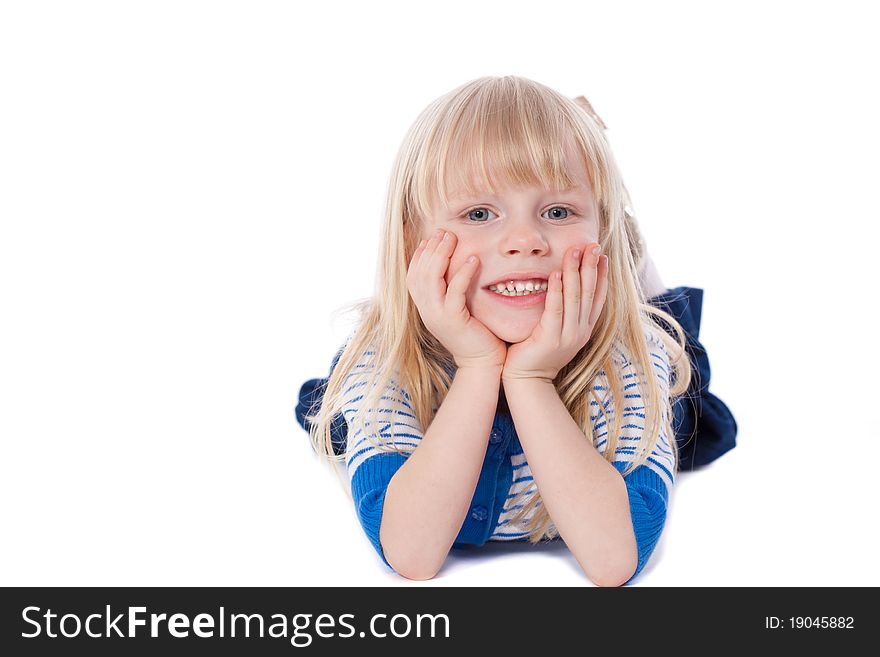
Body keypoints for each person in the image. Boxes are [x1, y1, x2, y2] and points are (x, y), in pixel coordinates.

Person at [294, 76, 737, 586]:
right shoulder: (382, 361)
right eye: (479, 213)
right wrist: (479, 366)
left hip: (625, 325)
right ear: (414, 239)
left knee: (674, 343)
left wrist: (531, 380)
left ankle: (628, 245)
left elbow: (617, 558)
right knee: (331, 419)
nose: (525, 240)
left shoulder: (633, 355)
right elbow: (411, 555)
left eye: (557, 210)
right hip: (416, 357)